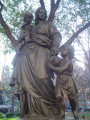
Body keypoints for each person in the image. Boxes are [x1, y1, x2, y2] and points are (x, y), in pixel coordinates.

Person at [10, 7, 62, 118]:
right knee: (28, 81)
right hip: (27, 56)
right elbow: (22, 37)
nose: (42, 14)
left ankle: (51, 110)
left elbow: (57, 35)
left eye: (44, 12)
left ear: (46, 14)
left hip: (43, 52)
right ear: (37, 14)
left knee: (44, 77)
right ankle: (32, 112)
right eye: (40, 12)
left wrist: (55, 46)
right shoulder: (31, 28)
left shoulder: (49, 25)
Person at [48, 44, 78, 120]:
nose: (60, 52)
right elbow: (55, 64)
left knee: (71, 98)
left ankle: (74, 110)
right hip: (59, 80)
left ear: (68, 52)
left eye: (63, 50)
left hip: (68, 80)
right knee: (58, 97)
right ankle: (62, 113)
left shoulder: (69, 62)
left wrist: (50, 66)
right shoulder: (60, 61)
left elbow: (60, 70)